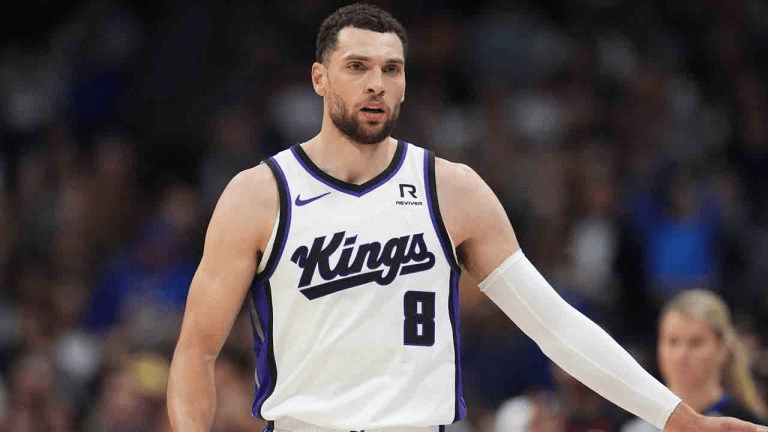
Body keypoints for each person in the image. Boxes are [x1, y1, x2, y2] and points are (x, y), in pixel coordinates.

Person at [167, 4, 768, 432]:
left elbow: (555, 324)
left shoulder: (451, 189)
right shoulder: (259, 194)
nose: (377, 84)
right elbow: (196, 351)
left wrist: (677, 418)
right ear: (319, 79)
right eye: (357, 66)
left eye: (391, 69)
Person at [621, 289, 767, 432]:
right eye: (673, 342)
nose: (681, 354)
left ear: (722, 348)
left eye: (695, 343)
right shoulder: (636, 427)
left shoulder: (748, 426)